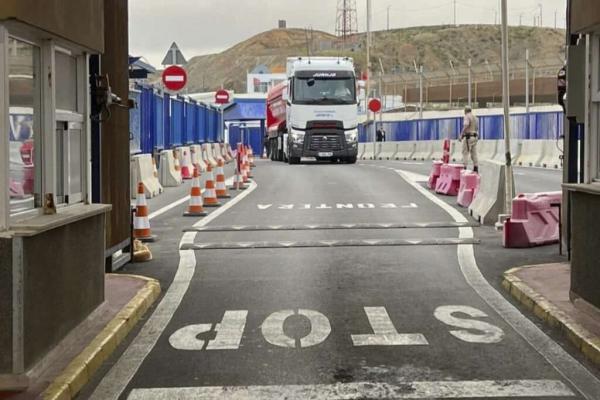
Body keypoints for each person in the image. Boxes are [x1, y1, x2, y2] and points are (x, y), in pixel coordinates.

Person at [460, 106, 479, 173]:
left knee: (465, 152)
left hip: (468, 137)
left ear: (465, 111)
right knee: (474, 153)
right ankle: (476, 167)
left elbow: (466, 125)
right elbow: (476, 128)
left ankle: (464, 168)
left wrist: (461, 134)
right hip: (475, 136)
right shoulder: (475, 118)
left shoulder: (467, 116)